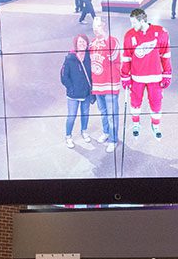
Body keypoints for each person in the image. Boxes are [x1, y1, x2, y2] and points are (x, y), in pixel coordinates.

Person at [121, 8, 172, 139]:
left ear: (142, 20)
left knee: (156, 101)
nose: (132, 26)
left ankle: (155, 125)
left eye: (134, 23)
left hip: (155, 77)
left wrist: (167, 73)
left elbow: (166, 55)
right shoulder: (129, 35)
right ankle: (136, 124)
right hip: (137, 77)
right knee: (135, 101)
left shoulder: (160, 32)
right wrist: (125, 76)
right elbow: (126, 57)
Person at [89, 17, 121, 153]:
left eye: (98, 26)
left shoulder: (112, 41)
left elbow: (114, 56)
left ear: (104, 27)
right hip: (97, 85)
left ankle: (113, 140)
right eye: (94, 27)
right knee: (103, 112)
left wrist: (105, 36)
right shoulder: (92, 44)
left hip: (110, 85)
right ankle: (106, 132)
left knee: (112, 114)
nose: (96, 29)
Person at [61, 34, 93, 149]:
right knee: (71, 116)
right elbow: (64, 76)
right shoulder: (70, 58)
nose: (82, 44)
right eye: (80, 42)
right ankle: (68, 136)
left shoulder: (89, 56)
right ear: (76, 44)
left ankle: (84, 131)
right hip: (73, 95)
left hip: (86, 93)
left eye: (84, 42)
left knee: (85, 114)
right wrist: (71, 88)